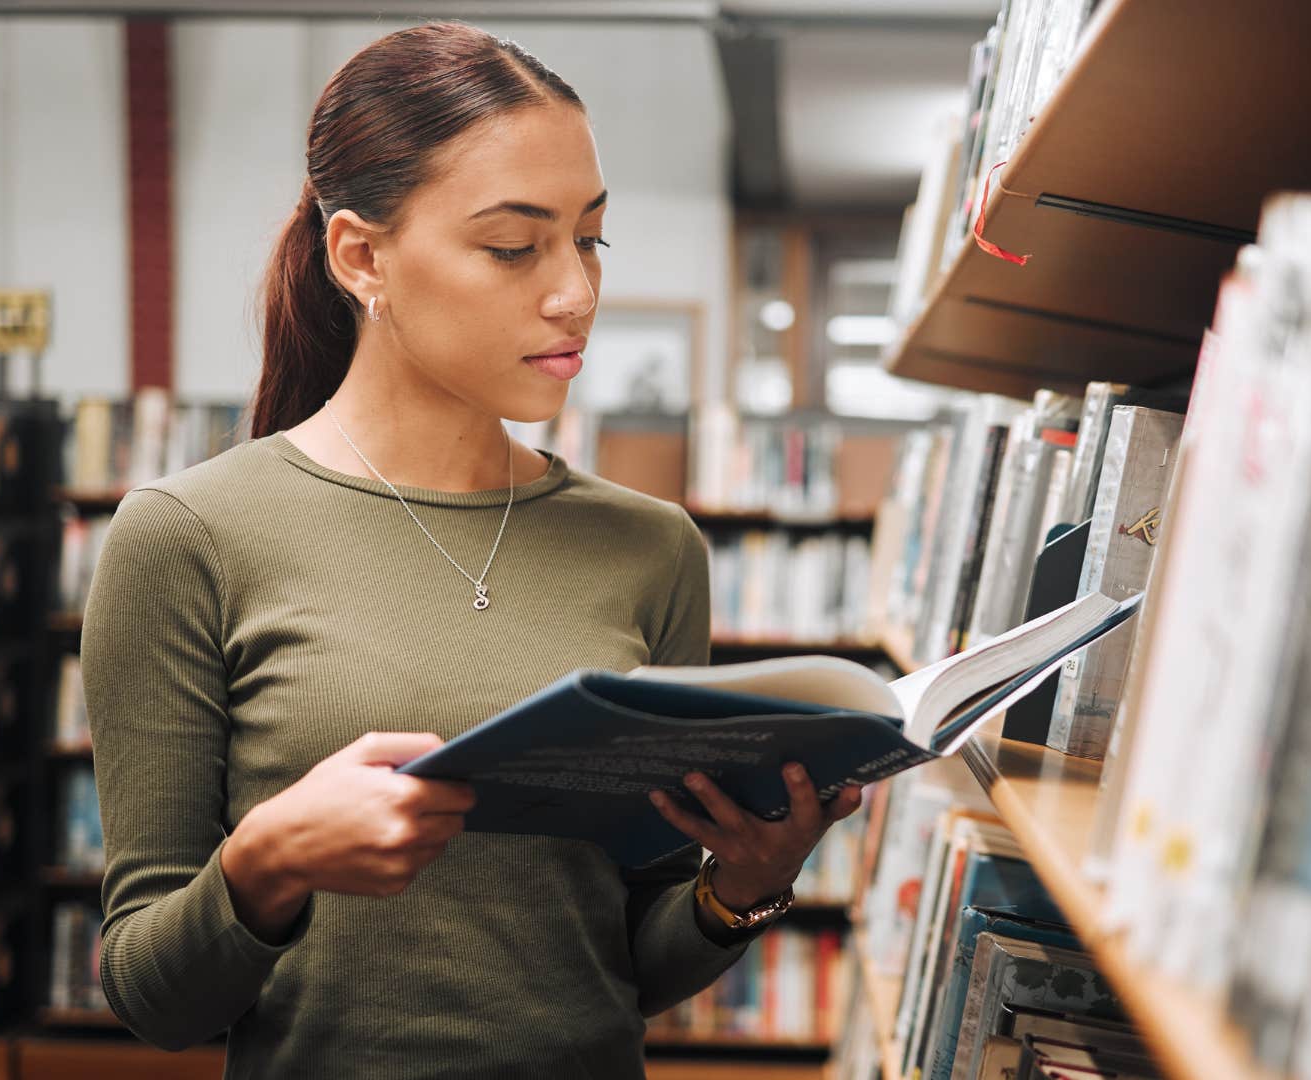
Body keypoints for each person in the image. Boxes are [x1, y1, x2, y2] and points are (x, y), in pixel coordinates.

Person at [82, 23, 861, 1079]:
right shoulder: (188, 537)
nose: (574, 292)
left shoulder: (653, 547)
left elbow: (622, 964)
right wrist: (266, 862)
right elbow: (150, 995)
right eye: (513, 246)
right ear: (362, 256)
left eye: (590, 238)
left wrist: (744, 888)